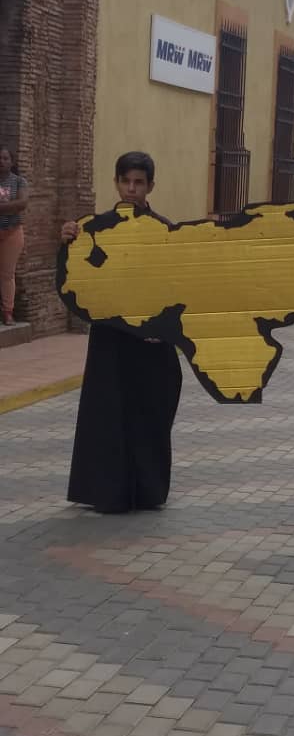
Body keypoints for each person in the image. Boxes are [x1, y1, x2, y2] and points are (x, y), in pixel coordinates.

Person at [60, 151, 182, 513]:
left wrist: (161, 327)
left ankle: (147, 491)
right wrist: (67, 242)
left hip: (151, 341)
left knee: (150, 413)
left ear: (150, 186)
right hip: (111, 340)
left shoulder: (164, 231)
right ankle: (107, 493)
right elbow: (78, 278)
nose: (131, 189)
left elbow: (176, 285)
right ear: (116, 182)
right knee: (108, 414)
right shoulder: (95, 230)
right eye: (125, 181)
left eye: (138, 182)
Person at [0, 146, 29, 325]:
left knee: (7, 274)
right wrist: (9, 206)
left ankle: (8, 312)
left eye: (5, 158)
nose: (1, 162)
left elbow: (22, 203)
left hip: (12, 232)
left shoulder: (19, 182)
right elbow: (14, 205)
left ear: (11, 162)